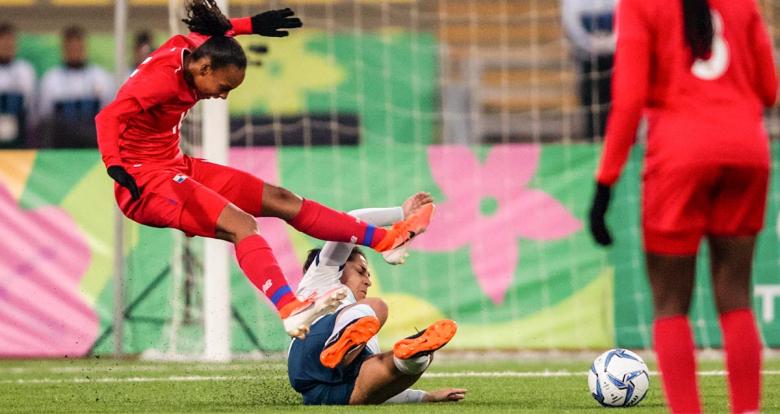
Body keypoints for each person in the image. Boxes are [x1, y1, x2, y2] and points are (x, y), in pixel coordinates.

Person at [94, 0, 433, 339]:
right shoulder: (158, 82)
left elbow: (217, 31)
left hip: (175, 165)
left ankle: (387, 240)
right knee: (242, 224)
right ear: (204, 70)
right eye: (224, 87)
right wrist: (115, 167)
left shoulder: (196, 50)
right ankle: (289, 308)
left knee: (280, 198)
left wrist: (251, 25)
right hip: (144, 182)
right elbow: (108, 117)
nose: (223, 97)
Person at [588, 0, 776, 412]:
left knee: (671, 304)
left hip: (679, 156)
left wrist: (605, 183)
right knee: (736, 296)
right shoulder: (743, 4)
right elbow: (770, 88)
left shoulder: (640, 5)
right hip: (748, 151)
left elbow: (629, 99)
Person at [288, 192, 465, 405]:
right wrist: (401, 214)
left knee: (406, 361)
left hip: (327, 395)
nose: (368, 281)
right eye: (361, 271)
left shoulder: (366, 327)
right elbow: (351, 221)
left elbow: (381, 390)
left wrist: (425, 396)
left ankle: (412, 358)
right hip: (310, 350)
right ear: (340, 265)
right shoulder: (321, 279)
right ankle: (338, 345)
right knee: (378, 306)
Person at [38, 25, 114, 148]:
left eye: (78, 47)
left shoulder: (101, 77)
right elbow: (44, 114)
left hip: (92, 146)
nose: (75, 52)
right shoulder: (51, 79)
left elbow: (109, 113)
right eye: (71, 48)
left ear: (85, 47)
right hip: (61, 146)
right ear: (64, 49)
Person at [561, 0, 616, 141]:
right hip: (587, 58)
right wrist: (590, 43)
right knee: (591, 106)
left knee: (621, 104)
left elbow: (628, 14)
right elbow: (570, 20)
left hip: (619, 56)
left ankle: (625, 145)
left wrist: (612, 42)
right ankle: (593, 143)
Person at [0, 22, 36, 148]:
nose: (7, 45)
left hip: (19, 124)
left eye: (10, 42)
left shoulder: (25, 70)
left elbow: (32, 106)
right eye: (3, 41)